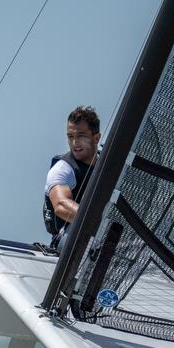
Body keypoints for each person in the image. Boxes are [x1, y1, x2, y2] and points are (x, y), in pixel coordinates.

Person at [43, 106, 100, 247]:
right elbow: (61, 205)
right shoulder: (63, 169)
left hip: (101, 235)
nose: (75, 143)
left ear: (96, 138)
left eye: (81, 136)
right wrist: (98, 220)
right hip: (67, 240)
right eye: (70, 136)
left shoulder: (108, 164)